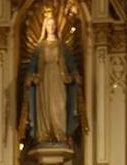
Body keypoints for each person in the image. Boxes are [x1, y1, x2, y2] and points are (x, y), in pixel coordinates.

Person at [20, 10, 83, 147]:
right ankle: (44, 134)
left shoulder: (62, 47)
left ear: (56, 27)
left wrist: (75, 74)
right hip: (43, 81)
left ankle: (60, 134)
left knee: (59, 105)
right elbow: (32, 66)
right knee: (45, 108)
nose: (51, 27)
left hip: (59, 80)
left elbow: (71, 63)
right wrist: (29, 77)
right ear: (45, 27)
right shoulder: (39, 47)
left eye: (53, 25)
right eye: (49, 25)